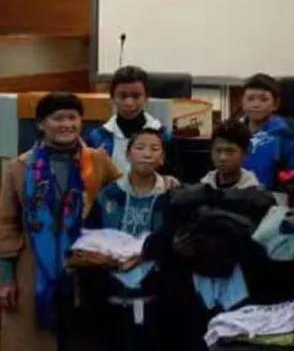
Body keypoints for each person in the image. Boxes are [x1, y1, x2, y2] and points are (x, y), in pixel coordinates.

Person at [0, 93, 122, 351]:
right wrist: (6, 279)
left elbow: (126, 196)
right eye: (58, 118)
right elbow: (6, 225)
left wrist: (162, 182)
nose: (67, 124)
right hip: (32, 272)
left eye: (72, 117)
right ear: (41, 124)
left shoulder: (98, 162)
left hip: (86, 273)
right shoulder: (18, 167)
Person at [78, 128, 171, 351]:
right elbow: (89, 236)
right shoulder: (108, 194)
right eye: (140, 148)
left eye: (154, 149)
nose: (147, 154)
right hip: (110, 287)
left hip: (156, 289)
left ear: (162, 157)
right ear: (128, 154)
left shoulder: (171, 195)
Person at [87, 65, 169, 176]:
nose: (129, 103)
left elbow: (173, 177)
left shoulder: (163, 136)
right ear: (112, 98)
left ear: (146, 98)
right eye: (122, 96)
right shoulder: (98, 138)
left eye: (136, 96)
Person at [236, 74, 293, 188]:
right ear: (242, 102)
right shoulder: (232, 133)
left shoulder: (285, 137)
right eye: (250, 99)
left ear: (275, 104)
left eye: (263, 99)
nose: (256, 105)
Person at [202, 120, 262, 190]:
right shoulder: (204, 185)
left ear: (245, 153)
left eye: (230, 152)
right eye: (218, 151)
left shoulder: (253, 191)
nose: (222, 158)